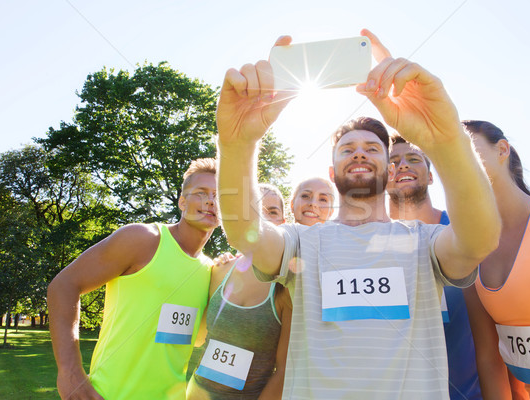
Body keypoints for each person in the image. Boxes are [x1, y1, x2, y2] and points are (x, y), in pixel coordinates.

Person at [216, 28, 500, 399]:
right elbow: (244, 232)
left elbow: (480, 239)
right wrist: (237, 144)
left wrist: (445, 139)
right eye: (347, 148)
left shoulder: (423, 242)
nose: (360, 153)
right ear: (332, 172)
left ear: (389, 167)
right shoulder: (301, 242)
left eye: (373, 148)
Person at [48, 158, 219, 400]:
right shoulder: (143, 239)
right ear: (182, 201)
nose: (211, 201)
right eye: (201, 193)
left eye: (220, 196)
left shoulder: (212, 271)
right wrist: (70, 373)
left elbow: (198, 339)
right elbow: (63, 285)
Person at [463, 120, 530, 400]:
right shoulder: (470, 251)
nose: (455, 160)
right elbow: (489, 358)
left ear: (502, 150)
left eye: (464, 148)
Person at [386, 134, 482, 399]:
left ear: (430, 175)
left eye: (413, 159)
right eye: (393, 161)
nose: (403, 165)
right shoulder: (370, 242)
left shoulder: (463, 231)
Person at [187, 183, 292, 399]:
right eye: (255, 210)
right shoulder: (219, 270)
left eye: (272, 212)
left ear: (283, 222)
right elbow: (198, 339)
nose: (262, 218)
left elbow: (285, 371)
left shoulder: (286, 286)